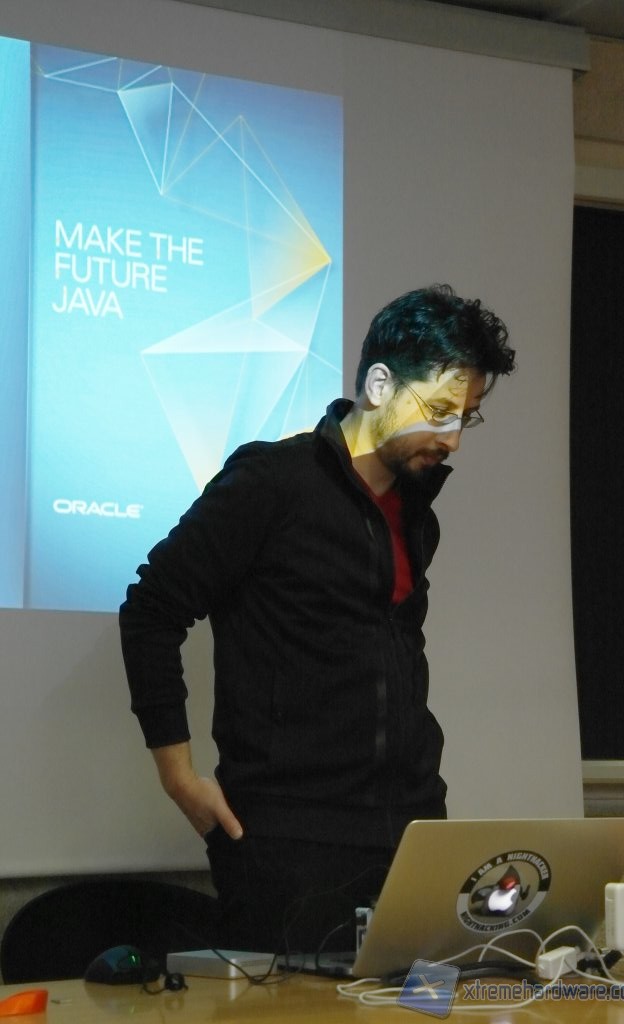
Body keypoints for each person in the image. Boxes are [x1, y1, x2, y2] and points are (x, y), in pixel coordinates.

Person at [120, 283, 516, 954]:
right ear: (380, 385)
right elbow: (151, 608)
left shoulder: (417, 517)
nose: (451, 438)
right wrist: (179, 777)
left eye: (466, 418)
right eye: (438, 411)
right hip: (288, 841)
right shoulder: (272, 482)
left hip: (412, 829)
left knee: (424, 1002)